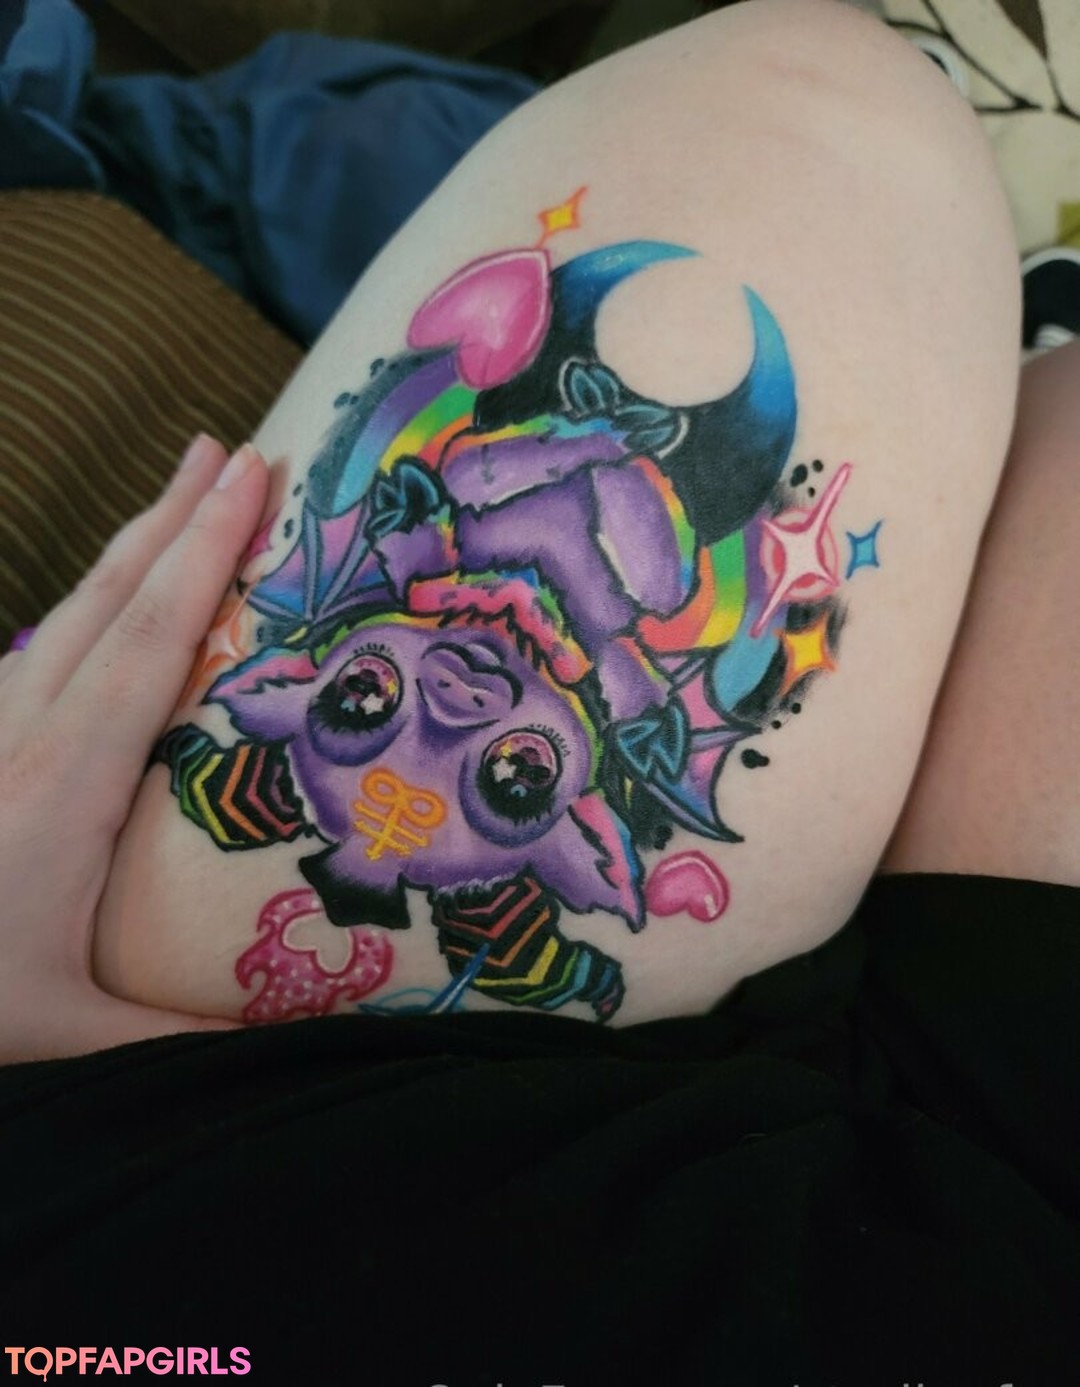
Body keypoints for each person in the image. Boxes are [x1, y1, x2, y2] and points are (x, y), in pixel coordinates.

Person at [1, 2, 1077, 1380]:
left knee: (818, 110)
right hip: (974, 1257)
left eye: (361, 705)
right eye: (508, 777)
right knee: (853, 134)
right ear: (574, 825)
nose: (451, 708)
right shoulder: (624, 680)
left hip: (308, 1169)